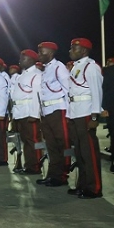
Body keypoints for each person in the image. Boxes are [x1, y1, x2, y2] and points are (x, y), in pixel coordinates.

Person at [66, 38, 103, 199]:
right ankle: (82, 184)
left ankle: (94, 187)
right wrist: (69, 114)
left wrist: (95, 116)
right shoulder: (75, 68)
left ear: (84, 51)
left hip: (86, 112)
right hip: (75, 112)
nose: (70, 51)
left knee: (89, 153)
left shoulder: (91, 67)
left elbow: (96, 92)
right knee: (80, 153)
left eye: (74, 48)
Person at [37, 42, 71, 187]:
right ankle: (53, 174)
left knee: (62, 144)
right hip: (47, 112)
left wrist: (69, 113)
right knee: (51, 145)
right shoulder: (46, 70)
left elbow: (68, 90)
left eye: (41, 53)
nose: (39, 56)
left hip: (58, 110)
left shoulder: (59, 67)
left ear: (50, 53)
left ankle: (62, 175)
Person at [10, 50, 43, 174]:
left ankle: (35, 166)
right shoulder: (23, 74)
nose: (20, 60)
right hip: (20, 112)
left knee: (32, 140)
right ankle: (29, 165)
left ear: (31, 60)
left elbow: (37, 95)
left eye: (23, 58)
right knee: (26, 141)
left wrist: (34, 114)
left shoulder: (36, 74)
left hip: (29, 112)